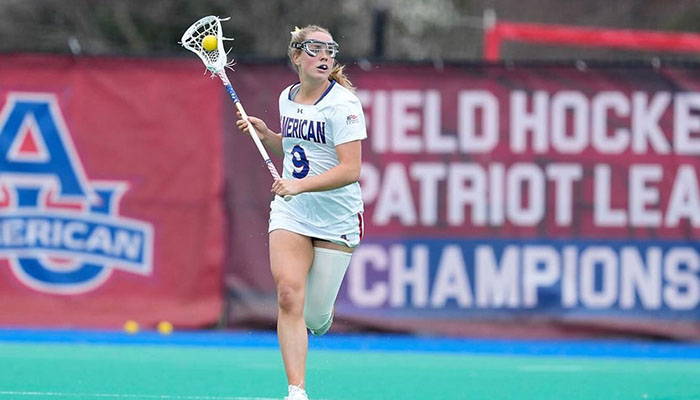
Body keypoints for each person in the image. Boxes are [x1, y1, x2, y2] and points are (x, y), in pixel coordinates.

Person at [236, 25, 366, 400]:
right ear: (296, 56)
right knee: (289, 294)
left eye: (330, 50)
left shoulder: (343, 104)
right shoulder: (286, 97)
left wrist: (298, 185)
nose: (325, 56)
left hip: (337, 218)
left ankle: (319, 319)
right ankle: (297, 390)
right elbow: (295, 152)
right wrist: (266, 136)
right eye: (315, 49)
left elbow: (350, 170)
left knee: (314, 318)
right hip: (293, 212)